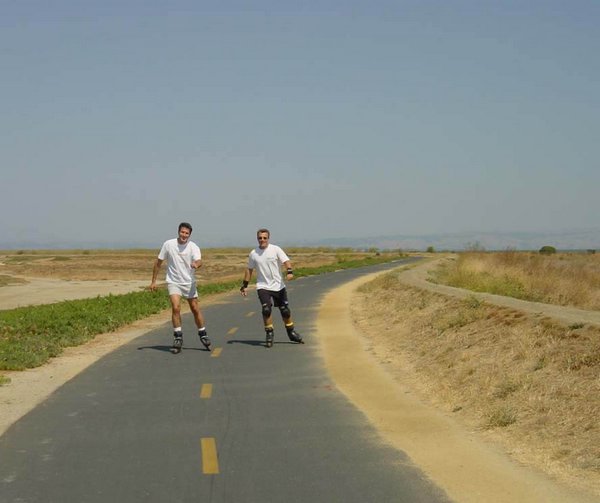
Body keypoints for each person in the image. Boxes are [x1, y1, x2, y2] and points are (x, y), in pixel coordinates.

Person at [149, 222, 211, 352]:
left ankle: (202, 333)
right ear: (178, 232)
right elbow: (158, 262)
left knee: (194, 308)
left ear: (189, 235)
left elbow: (199, 261)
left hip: (189, 282)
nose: (184, 235)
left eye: (186, 233)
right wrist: (153, 281)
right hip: (173, 281)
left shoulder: (193, 247)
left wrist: (196, 264)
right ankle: (178, 336)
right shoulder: (169, 244)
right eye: (182, 232)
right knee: (176, 307)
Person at [240, 228, 303, 348]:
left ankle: (291, 332)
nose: (262, 240)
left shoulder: (275, 249)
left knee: (285, 310)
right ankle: (269, 334)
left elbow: (286, 261)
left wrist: (289, 271)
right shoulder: (254, 253)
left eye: (264, 238)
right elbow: (249, 269)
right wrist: (245, 285)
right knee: (266, 309)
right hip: (263, 286)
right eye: (260, 238)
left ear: (268, 238)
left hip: (278, 285)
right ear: (257, 238)